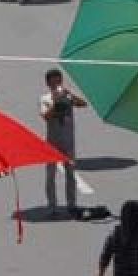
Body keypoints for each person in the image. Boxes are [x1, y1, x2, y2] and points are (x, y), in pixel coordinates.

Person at [40, 68, 87, 218]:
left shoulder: (67, 95)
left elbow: (83, 104)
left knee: (70, 174)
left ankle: (71, 204)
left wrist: (69, 95)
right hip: (52, 141)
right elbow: (46, 116)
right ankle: (52, 206)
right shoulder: (45, 99)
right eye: (53, 81)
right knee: (50, 175)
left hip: (68, 141)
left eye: (58, 81)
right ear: (48, 83)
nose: (56, 84)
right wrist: (55, 103)